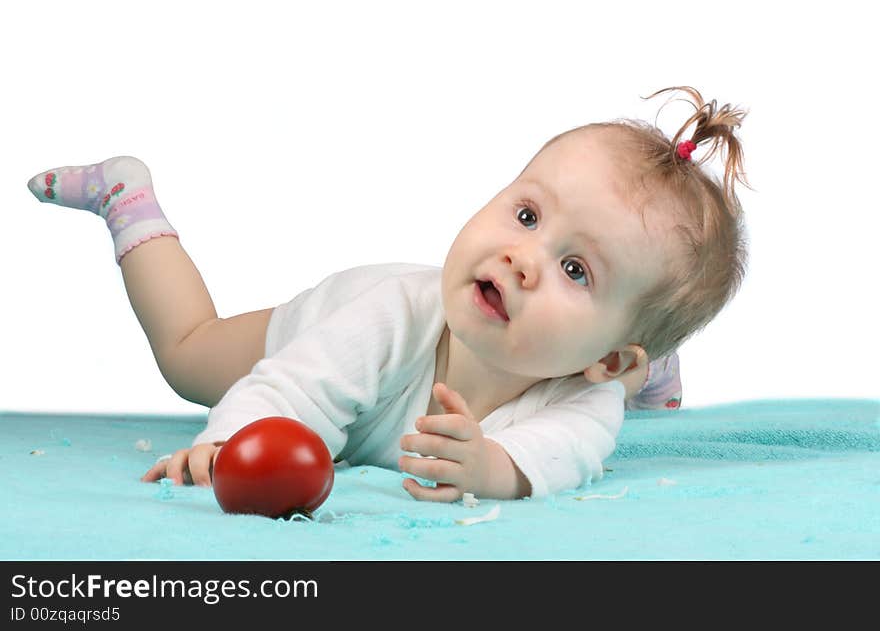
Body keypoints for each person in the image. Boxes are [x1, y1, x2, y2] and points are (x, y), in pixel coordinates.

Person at [26, 86, 750, 501]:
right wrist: (226, 441)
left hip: (611, 359)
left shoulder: (587, 401)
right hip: (326, 322)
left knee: (613, 388)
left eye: (576, 270)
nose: (522, 258)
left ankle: (652, 365)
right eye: (527, 215)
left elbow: (557, 461)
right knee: (188, 356)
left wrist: (488, 467)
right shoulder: (388, 321)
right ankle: (128, 196)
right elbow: (292, 389)